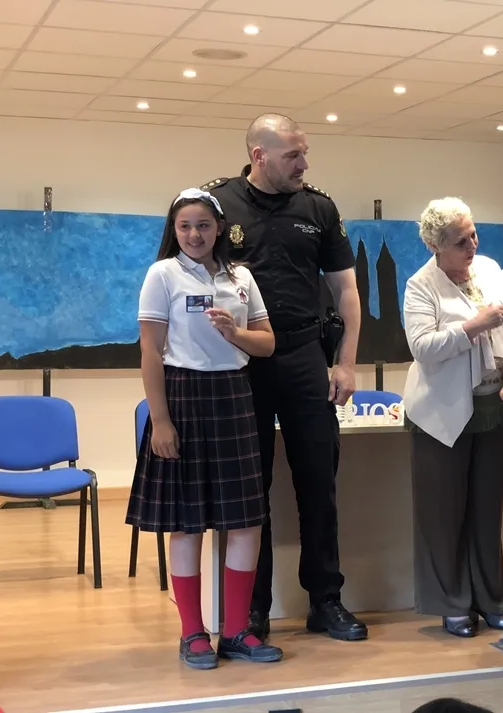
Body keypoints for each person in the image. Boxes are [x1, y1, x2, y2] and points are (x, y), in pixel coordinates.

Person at [202, 113, 366, 642]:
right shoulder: (217, 204)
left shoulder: (318, 208)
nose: (304, 164)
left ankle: (325, 600)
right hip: (240, 361)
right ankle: (253, 610)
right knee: (250, 490)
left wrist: (345, 362)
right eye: (294, 155)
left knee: (318, 483)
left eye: (304, 153)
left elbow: (346, 291)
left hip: (303, 355)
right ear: (260, 155)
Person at [127, 187, 283, 669]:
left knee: (245, 521)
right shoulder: (163, 274)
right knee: (187, 522)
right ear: (174, 231)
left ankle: (236, 631)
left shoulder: (241, 277)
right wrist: (160, 421)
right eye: (184, 226)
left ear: (219, 229)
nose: (194, 234)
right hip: (182, 396)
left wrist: (236, 333)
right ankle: (192, 632)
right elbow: (150, 351)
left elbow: (267, 343)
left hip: (234, 395)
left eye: (203, 225)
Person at [403, 197, 503, 638]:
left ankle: (491, 601)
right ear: (436, 246)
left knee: (486, 512)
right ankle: (452, 604)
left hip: (491, 408)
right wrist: (474, 325)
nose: (472, 245)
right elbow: (423, 347)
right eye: (461, 241)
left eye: (473, 234)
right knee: (444, 515)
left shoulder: (489, 269)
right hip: (440, 414)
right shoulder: (421, 285)